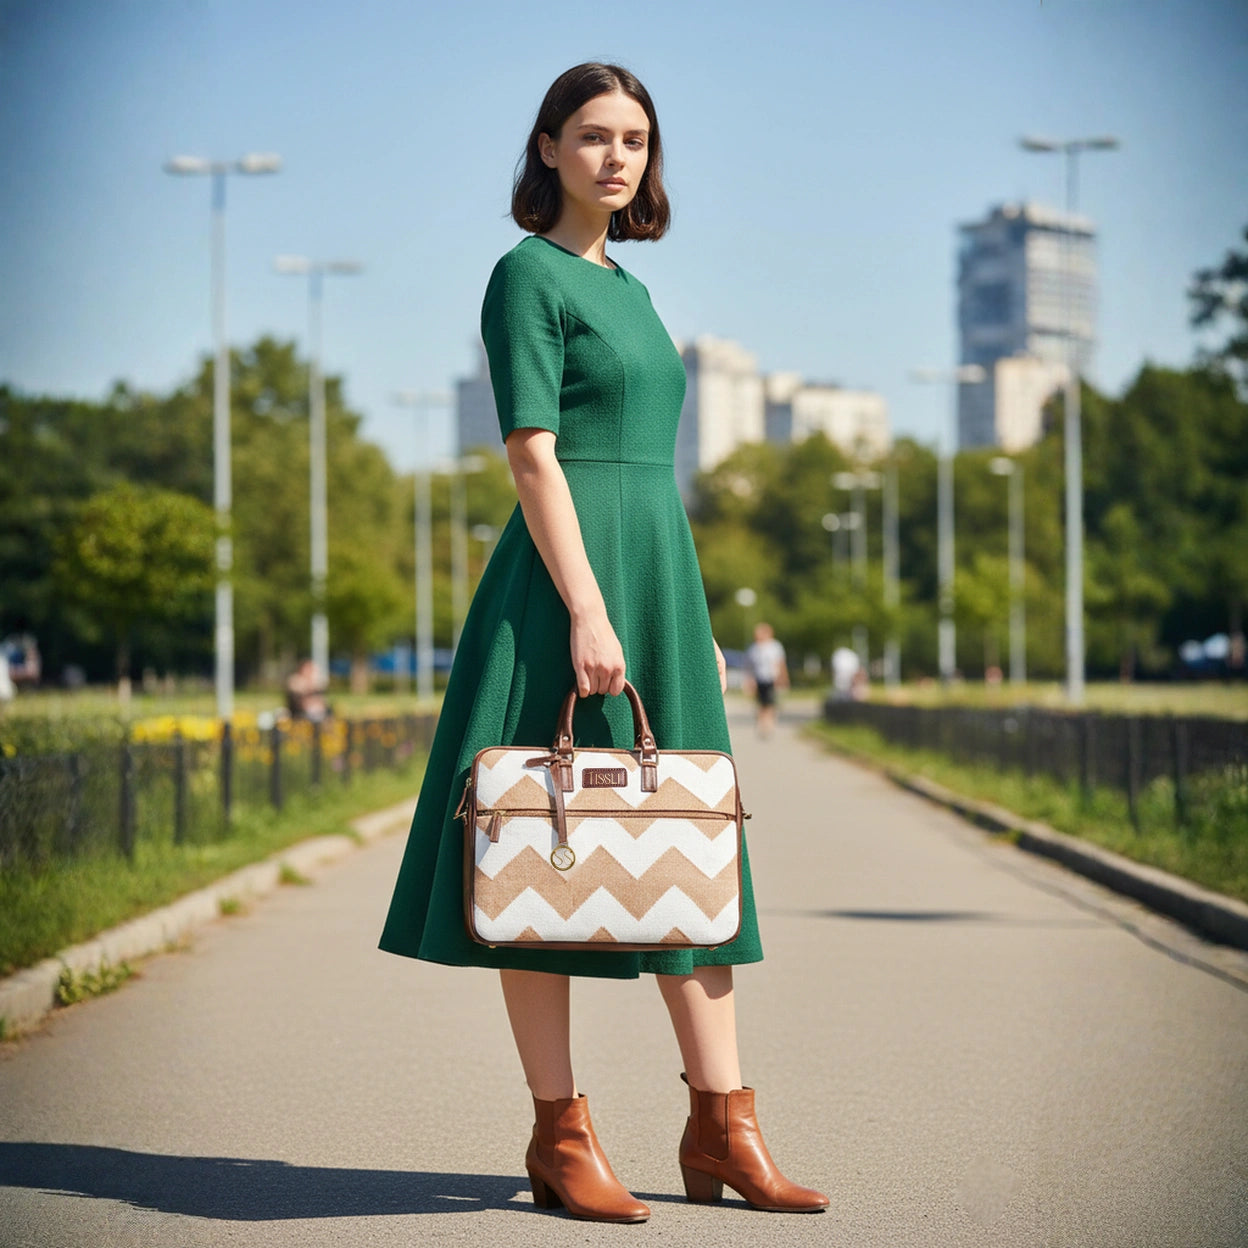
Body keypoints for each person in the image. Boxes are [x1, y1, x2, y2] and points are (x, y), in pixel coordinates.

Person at [379, 63, 827, 1223]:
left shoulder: (627, 285)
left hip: (658, 571)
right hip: (564, 578)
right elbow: (533, 451)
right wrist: (586, 606)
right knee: (544, 848)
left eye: (634, 139)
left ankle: (724, 1123)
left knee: (694, 842)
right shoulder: (524, 276)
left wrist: (652, 599)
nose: (617, 157)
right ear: (545, 151)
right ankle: (561, 1136)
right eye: (591, 137)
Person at [744, 621, 789, 737]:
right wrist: (749, 680)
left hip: (771, 678)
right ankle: (762, 722)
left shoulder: (775, 646)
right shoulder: (753, 648)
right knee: (760, 702)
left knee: (770, 702)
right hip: (759, 678)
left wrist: (783, 677)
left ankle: (769, 723)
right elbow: (749, 666)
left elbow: (780, 663)